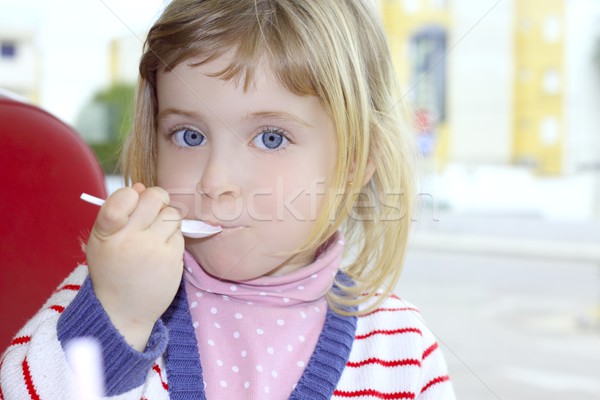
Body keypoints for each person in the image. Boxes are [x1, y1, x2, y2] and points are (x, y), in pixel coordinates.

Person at [0, 0, 456, 398]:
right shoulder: (111, 288)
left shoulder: (404, 349)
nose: (216, 180)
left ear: (356, 161)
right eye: (189, 134)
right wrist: (119, 315)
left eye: (272, 138)